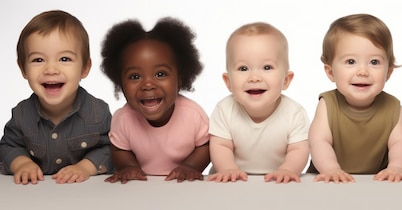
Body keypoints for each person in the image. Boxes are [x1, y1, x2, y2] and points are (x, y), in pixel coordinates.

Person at [0, 10, 113, 184]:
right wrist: (22, 163)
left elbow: (113, 148)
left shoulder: (98, 112)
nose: (51, 69)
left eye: (64, 59)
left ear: (84, 68)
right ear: (23, 69)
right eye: (38, 60)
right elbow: (8, 146)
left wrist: (85, 167)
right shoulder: (22, 115)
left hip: (86, 195)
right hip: (35, 196)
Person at [100, 17, 210, 184]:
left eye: (160, 74)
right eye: (135, 76)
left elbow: (206, 146)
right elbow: (119, 149)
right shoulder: (124, 118)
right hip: (142, 188)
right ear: (120, 84)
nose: (148, 84)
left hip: (183, 188)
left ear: (180, 80)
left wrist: (191, 166)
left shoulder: (193, 115)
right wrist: (128, 166)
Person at [307, 14, 402, 183]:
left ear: (389, 72)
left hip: (375, 181)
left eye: (374, 62)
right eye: (350, 62)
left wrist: (397, 167)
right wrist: (331, 169)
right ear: (330, 72)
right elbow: (319, 141)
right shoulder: (327, 104)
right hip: (328, 178)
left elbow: (400, 143)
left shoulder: (393, 107)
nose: (362, 71)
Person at [206, 22, 310, 183]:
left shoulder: (294, 113)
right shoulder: (224, 110)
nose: (254, 77)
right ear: (228, 82)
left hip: (277, 182)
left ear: (286, 80)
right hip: (233, 182)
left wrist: (288, 169)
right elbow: (221, 145)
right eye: (243, 69)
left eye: (267, 67)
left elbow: (299, 149)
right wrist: (227, 169)